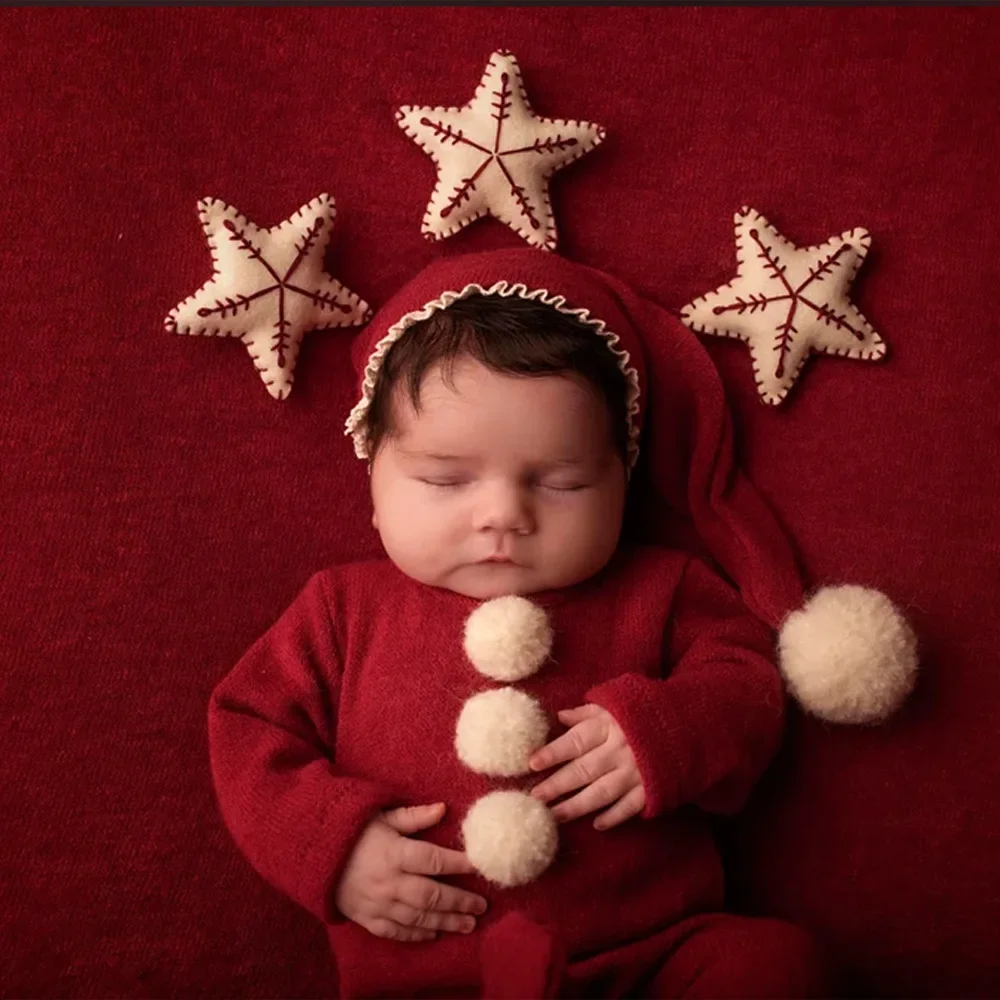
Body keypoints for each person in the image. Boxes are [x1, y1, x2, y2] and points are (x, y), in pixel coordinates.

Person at [208, 248, 836, 998]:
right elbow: (247, 725)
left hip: (652, 953)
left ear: (621, 481)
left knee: (773, 969)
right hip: (432, 975)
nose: (505, 514)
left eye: (563, 481)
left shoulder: (662, 589)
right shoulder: (342, 609)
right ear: (372, 477)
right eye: (446, 478)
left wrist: (669, 733)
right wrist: (330, 846)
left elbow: (748, 682)